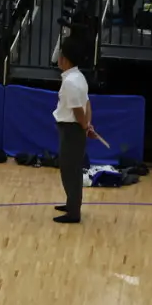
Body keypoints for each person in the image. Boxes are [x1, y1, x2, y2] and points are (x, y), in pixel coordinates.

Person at [53, 37, 95, 224]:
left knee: (70, 170)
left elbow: (78, 109)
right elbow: (87, 103)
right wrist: (87, 124)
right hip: (75, 128)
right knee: (72, 168)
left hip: (71, 129)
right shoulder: (79, 77)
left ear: (65, 59)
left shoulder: (70, 82)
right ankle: (72, 203)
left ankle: (73, 212)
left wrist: (85, 125)